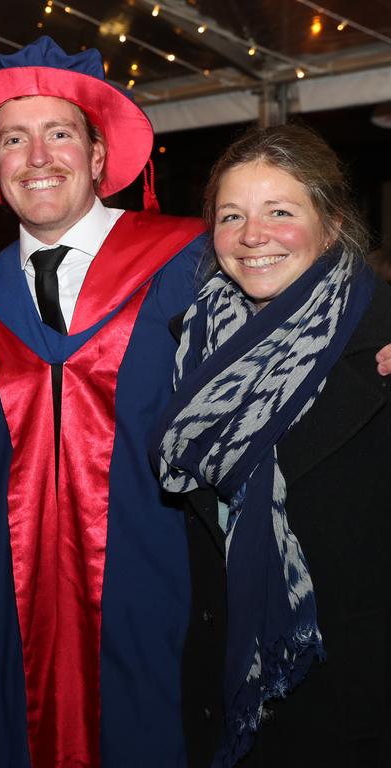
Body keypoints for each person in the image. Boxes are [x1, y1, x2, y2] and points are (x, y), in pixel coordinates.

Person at [0, 37, 209, 766]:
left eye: (60, 133)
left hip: (166, 595)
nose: (38, 157)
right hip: (19, 620)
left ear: (96, 155)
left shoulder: (191, 264)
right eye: (14, 141)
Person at [156, 124, 391, 767]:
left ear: (332, 223)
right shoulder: (191, 348)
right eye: (232, 216)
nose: (251, 236)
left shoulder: (381, 344)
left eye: (280, 212)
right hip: (227, 700)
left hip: (352, 707)